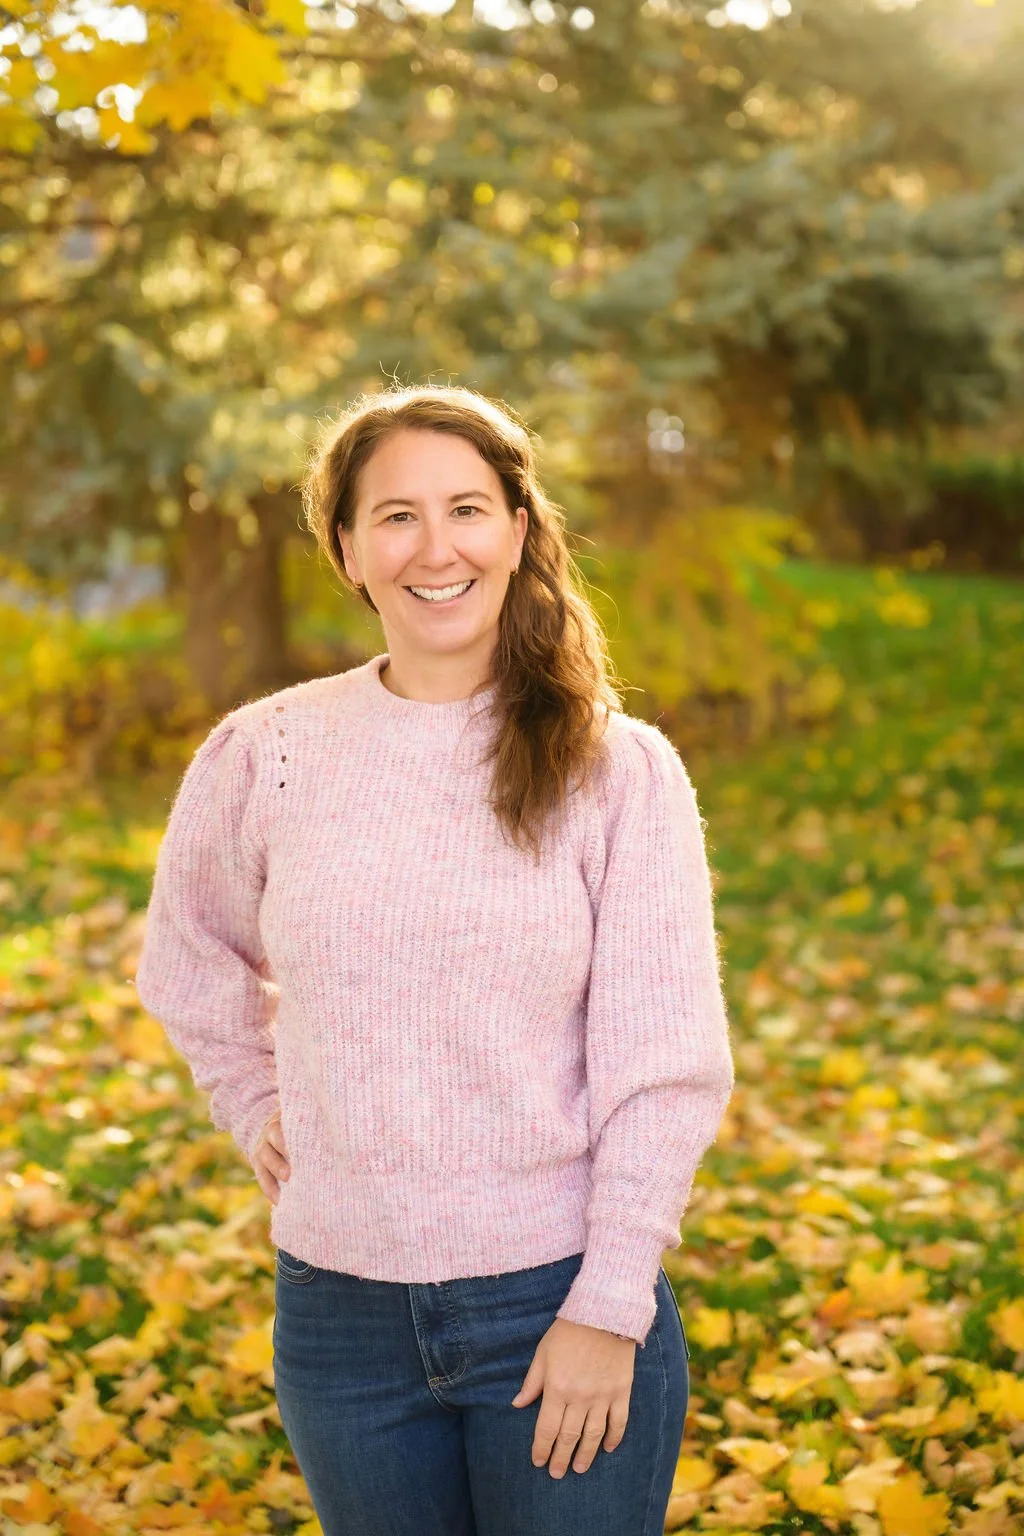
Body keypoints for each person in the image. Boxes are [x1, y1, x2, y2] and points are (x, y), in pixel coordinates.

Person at [134, 383, 735, 1536]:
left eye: (465, 508)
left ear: (517, 530)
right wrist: (252, 1100)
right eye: (394, 516)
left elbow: (664, 1066)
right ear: (347, 550)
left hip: (557, 1299)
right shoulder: (268, 754)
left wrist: (609, 1307)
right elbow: (189, 955)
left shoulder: (617, 770)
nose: (434, 546)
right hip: (339, 1318)